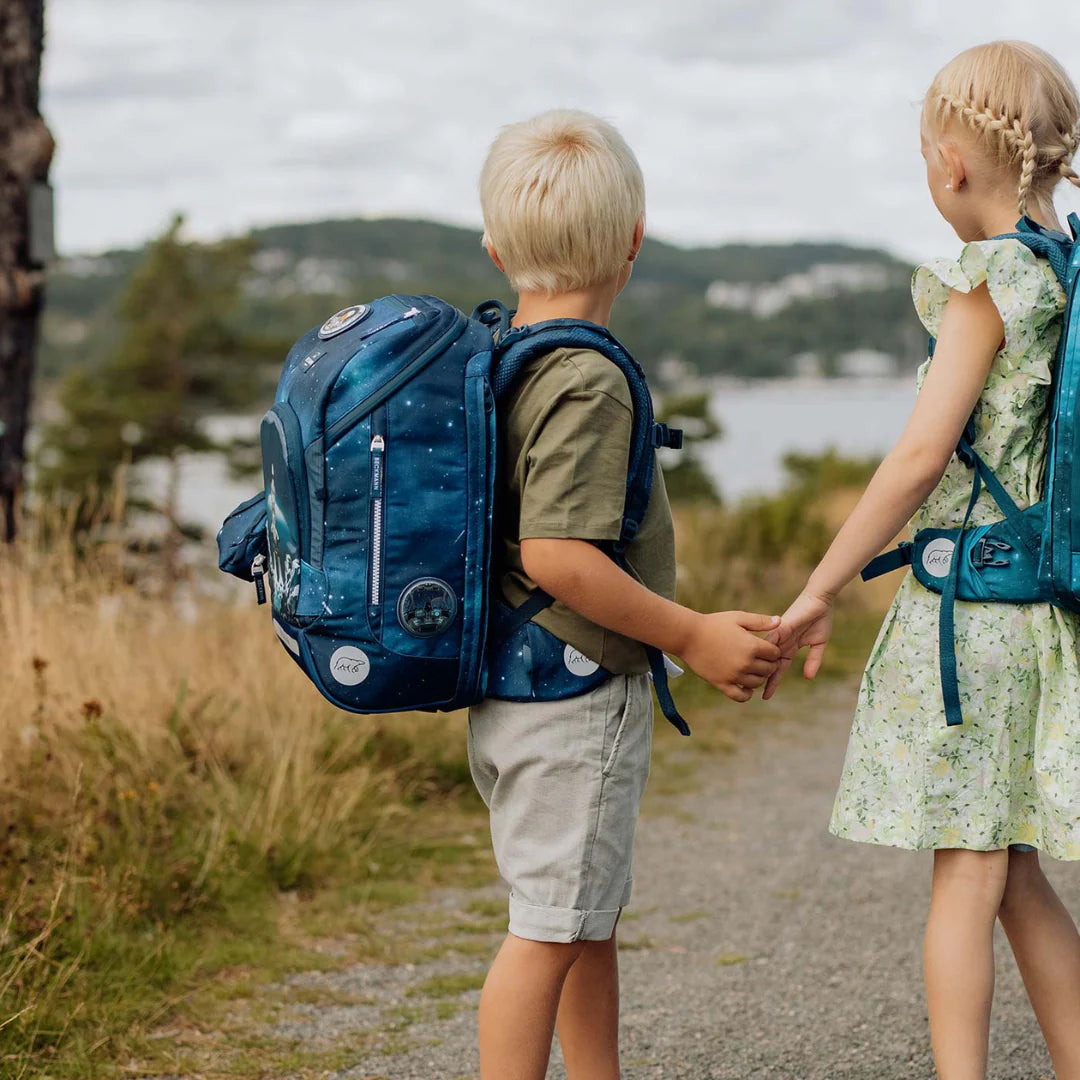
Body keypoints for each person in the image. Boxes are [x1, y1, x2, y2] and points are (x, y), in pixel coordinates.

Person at [769, 41, 1080, 1080]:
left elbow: (918, 457)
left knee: (968, 875)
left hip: (975, 620)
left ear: (951, 163)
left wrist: (819, 588)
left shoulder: (987, 281)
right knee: (1013, 869)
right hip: (1040, 609)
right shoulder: (1066, 269)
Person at [469, 108, 782, 1080]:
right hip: (571, 694)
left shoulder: (502, 361)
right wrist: (690, 634)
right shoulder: (587, 380)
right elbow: (559, 555)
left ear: (495, 250)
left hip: (511, 682)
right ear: (635, 240)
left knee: (580, 918)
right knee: (546, 932)